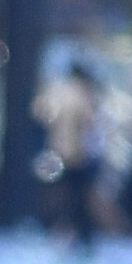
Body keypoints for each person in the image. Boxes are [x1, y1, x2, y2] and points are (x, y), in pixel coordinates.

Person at [31, 61, 104, 251]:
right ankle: (74, 235)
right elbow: (89, 121)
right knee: (76, 198)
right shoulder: (81, 94)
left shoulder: (58, 91)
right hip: (77, 155)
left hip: (58, 153)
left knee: (59, 196)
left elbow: (42, 114)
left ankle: (60, 233)